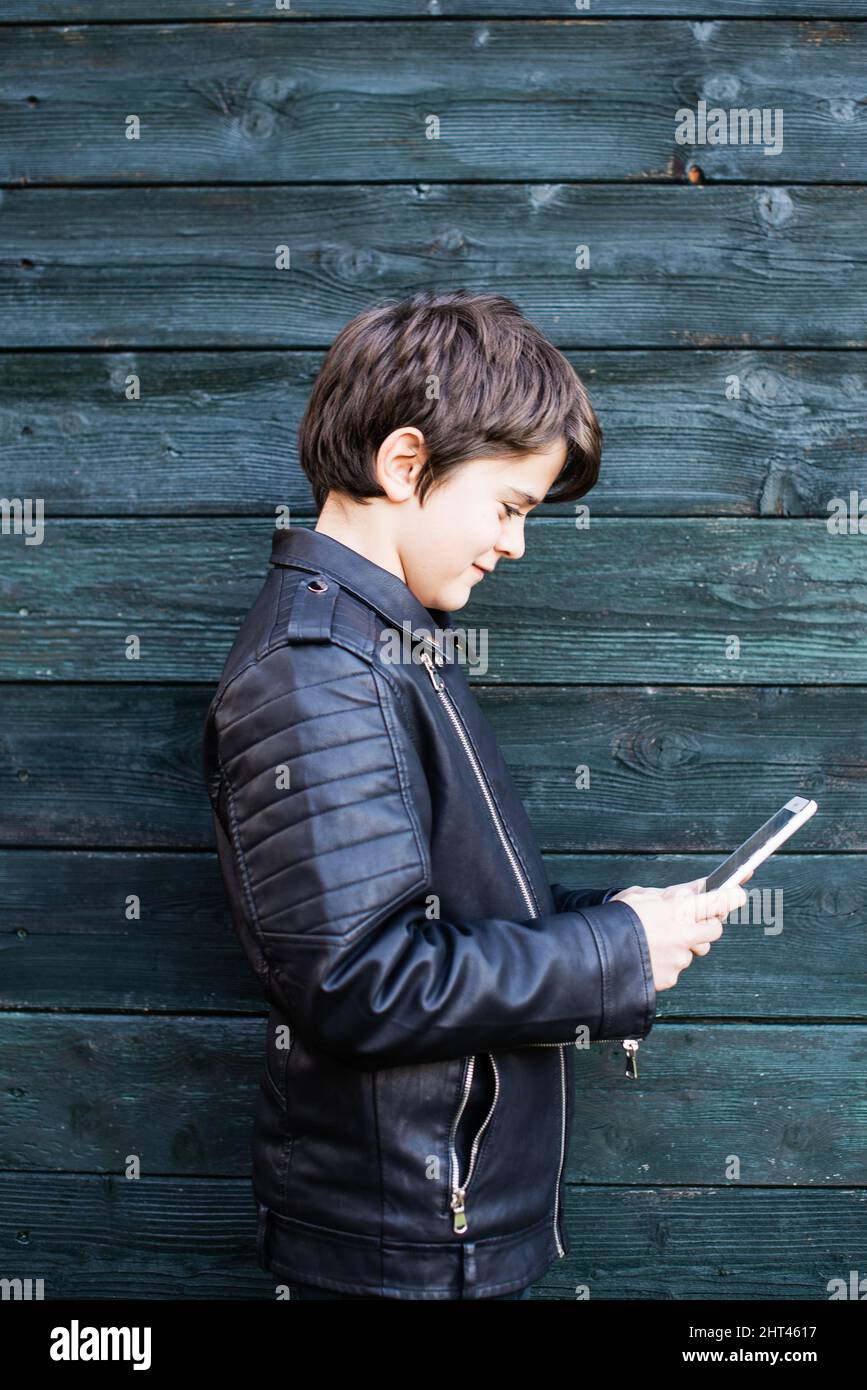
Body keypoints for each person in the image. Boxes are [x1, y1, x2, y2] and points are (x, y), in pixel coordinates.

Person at [201, 289, 747, 1300]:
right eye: (509, 506)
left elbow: (440, 919)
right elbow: (361, 983)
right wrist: (607, 958)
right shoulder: (316, 672)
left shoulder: (384, 648)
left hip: (433, 1230)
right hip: (398, 1249)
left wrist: (618, 925)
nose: (515, 544)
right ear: (405, 464)